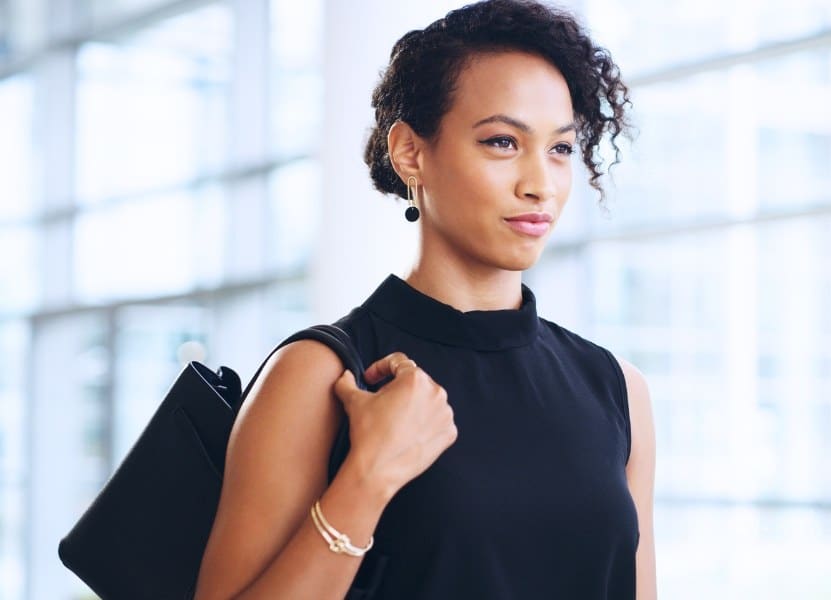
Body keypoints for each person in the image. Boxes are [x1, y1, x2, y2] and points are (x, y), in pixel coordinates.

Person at [194, 0, 656, 598]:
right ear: (411, 152)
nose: (540, 184)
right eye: (502, 142)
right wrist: (368, 476)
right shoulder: (319, 375)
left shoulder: (616, 387)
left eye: (561, 149)